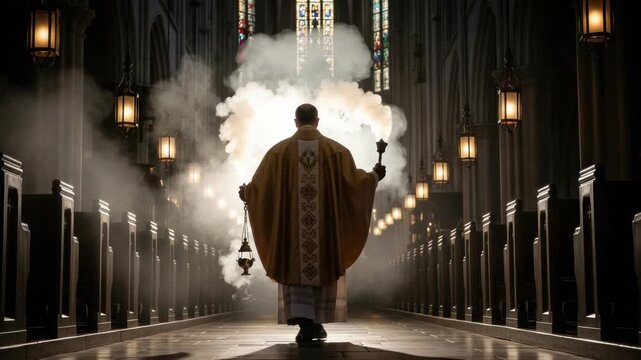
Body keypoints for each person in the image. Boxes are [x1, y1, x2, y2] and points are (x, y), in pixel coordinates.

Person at [238, 103, 385, 344]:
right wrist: (374, 176)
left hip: (292, 236)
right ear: (318, 121)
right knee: (322, 264)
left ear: (295, 121)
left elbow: (261, 189)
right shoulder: (336, 152)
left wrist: (248, 193)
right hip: (324, 234)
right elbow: (354, 186)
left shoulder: (278, 153)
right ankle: (313, 324)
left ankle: (307, 324)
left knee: (297, 265)